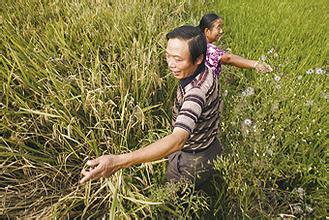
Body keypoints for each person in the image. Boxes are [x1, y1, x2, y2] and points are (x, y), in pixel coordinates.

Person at [80, 25, 222, 191]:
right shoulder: (207, 71)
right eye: (168, 56)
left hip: (191, 160)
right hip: (210, 144)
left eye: (178, 59)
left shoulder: (195, 94)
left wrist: (118, 161)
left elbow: (178, 140)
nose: (171, 64)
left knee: (177, 199)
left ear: (198, 59)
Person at [199, 13, 273, 75]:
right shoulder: (208, 48)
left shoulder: (195, 42)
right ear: (207, 31)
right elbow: (228, 58)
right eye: (218, 28)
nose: (221, 31)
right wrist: (256, 64)